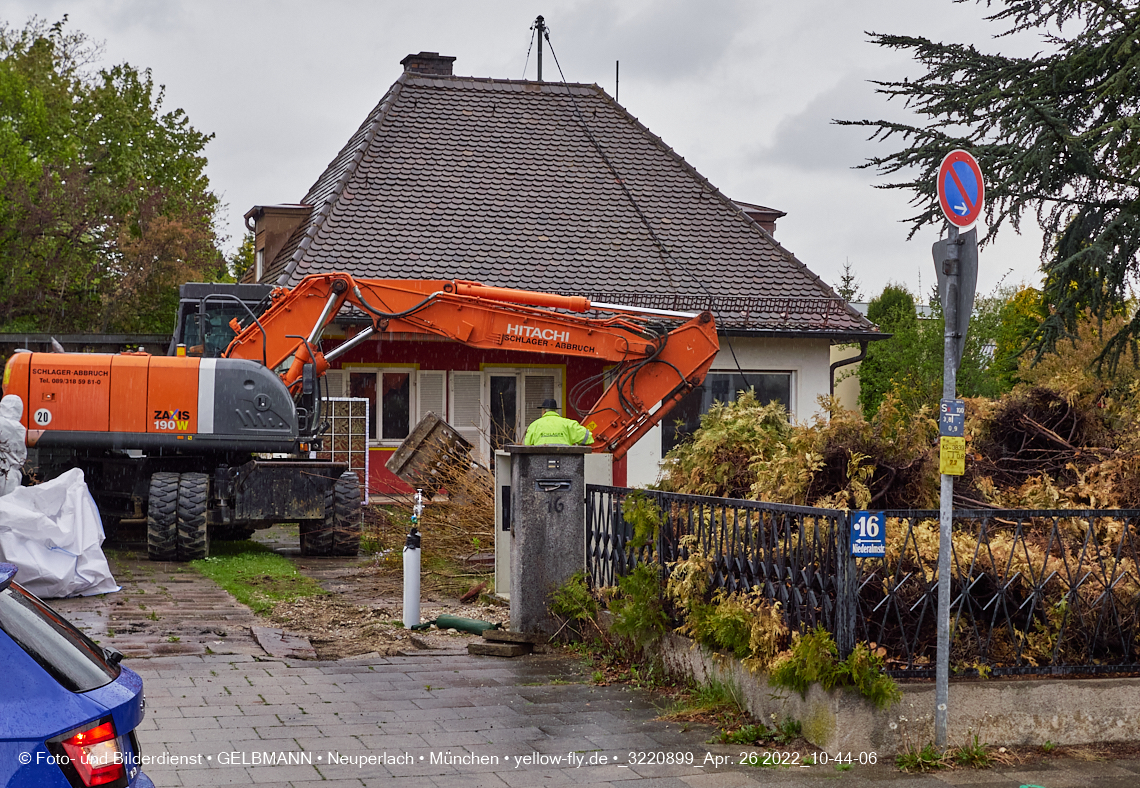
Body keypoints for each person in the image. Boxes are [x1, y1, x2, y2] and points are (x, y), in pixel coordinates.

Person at [523, 399, 594, 446]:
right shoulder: (568, 424)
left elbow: (527, 445)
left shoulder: (534, 425)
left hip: (540, 464)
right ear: (556, 411)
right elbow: (587, 438)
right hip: (565, 464)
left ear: (544, 411)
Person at [0, 394, 26, 496]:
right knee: (7, 507)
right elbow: (20, 455)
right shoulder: (20, 429)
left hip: (3, 470)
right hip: (11, 476)